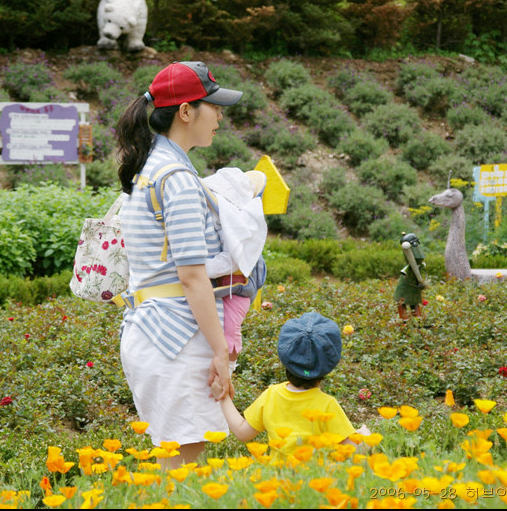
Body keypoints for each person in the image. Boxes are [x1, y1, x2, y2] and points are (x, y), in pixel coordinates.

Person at [115, 61, 244, 469]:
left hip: (152, 330)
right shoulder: (178, 180)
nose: (220, 116)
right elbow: (191, 277)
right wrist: (221, 352)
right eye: (214, 106)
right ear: (186, 111)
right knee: (183, 475)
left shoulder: (148, 166)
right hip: (177, 339)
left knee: (176, 468)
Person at [211, 312, 370, 460]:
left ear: (284, 358)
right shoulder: (328, 405)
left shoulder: (272, 395)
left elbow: (241, 432)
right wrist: (365, 437)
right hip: (314, 479)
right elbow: (353, 450)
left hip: (277, 477)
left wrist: (223, 397)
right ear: (329, 365)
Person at [201, 167, 268, 370]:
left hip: (239, 290)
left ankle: (229, 366)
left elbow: (236, 258)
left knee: (230, 328)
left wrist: (200, 269)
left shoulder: (246, 226)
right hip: (224, 287)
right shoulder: (223, 219)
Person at [394, 232, 427, 321]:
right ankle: (404, 318)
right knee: (401, 300)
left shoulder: (419, 262)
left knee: (414, 301)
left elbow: (419, 261)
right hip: (407, 283)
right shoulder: (409, 267)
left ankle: (418, 318)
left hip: (415, 282)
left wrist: (421, 281)